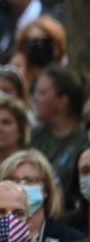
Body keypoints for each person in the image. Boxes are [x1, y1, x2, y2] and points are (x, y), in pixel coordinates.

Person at [0, 149, 83, 242]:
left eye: (29, 181)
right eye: (13, 181)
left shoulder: (71, 239)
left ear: (46, 189)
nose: (20, 187)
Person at [31, 66, 86, 206]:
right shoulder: (34, 136)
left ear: (62, 101)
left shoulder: (85, 140)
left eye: (42, 93)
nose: (36, 98)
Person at [14, 15, 67, 94]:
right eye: (31, 43)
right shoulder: (18, 82)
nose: (36, 48)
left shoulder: (66, 82)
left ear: (56, 47)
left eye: (42, 42)